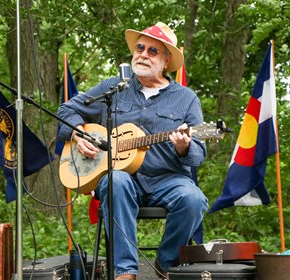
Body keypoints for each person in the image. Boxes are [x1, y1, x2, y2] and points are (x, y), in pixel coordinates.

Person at [57, 21, 208, 280]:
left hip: (168, 179)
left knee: (194, 200)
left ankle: (166, 264)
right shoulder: (112, 88)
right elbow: (66, 110)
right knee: (116, 181)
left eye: (152, 51)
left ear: (166, 60)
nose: (143, 54)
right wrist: (79, 132)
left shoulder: (186, 98)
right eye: (140, 47)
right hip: (121, 178)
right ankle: (125, 273)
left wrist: (185, 147)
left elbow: (199, 152)